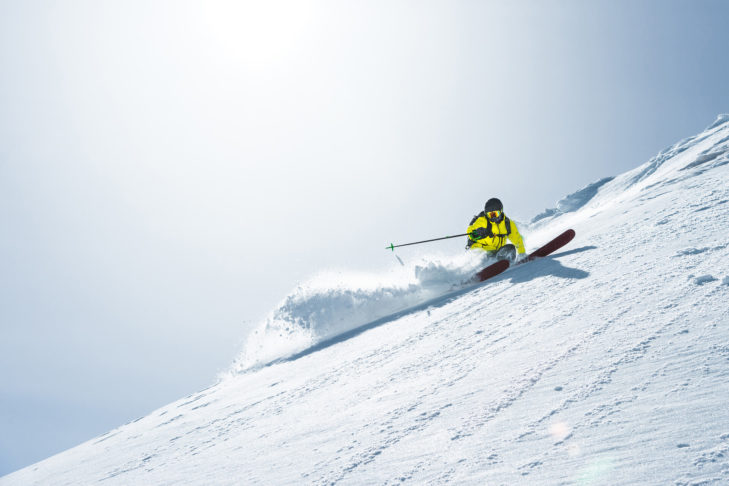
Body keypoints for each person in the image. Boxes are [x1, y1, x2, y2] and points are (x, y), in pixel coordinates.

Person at [466, 198, 526, 262]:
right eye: (490, 215)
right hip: (481, 251)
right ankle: (482, 266)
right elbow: (470, 230)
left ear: (501, 211)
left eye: (495, 214)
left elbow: (517, 239)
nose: (493, 217)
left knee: (510, 248)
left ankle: (506, 264)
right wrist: (477, 232)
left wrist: (522, 253)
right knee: (484, 256)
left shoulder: (507, 224)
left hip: (497, 253)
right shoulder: (483, 221)